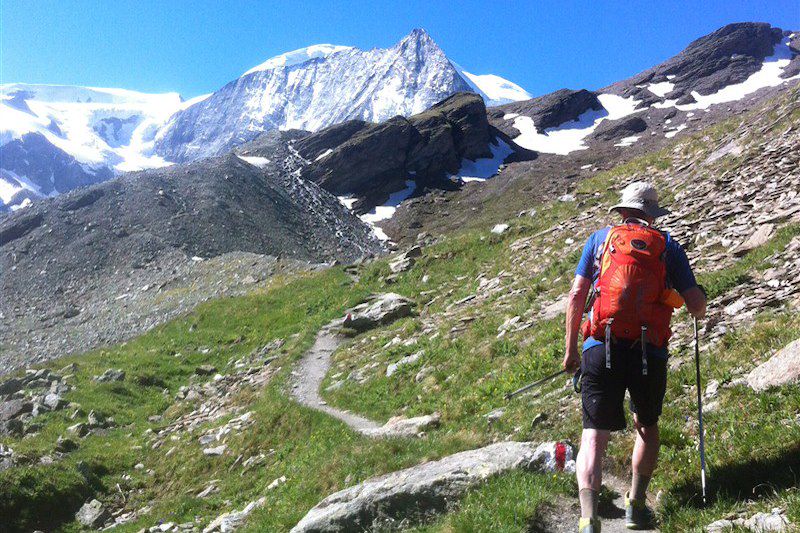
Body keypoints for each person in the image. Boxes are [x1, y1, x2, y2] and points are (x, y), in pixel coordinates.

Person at [562, 182, 706, 532]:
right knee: (647, 426)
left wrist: (570, 352)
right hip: (648, 350)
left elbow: (577, 294)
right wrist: (696, 295)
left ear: (623, 211)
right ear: (652, 214)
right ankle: (635, 507)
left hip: (601, 345)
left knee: (594, 435)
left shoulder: (599, 240)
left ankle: (588, 518)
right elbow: (697, 308)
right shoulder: (668, 246)